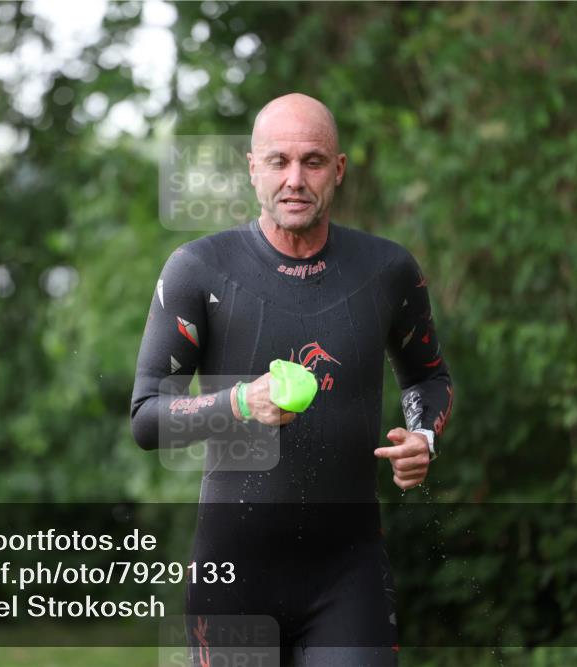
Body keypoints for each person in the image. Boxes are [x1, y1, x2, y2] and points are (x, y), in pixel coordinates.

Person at [131, 94, 453, 666]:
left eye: (313, 161)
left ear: (339, 170)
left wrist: (421, 436)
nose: (295, 179)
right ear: (253, 168)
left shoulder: (386, 270)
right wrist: (238, 402)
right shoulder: (199, 268)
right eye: (278, 161)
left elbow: (428, 378)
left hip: (348, 577)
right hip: (231, 579)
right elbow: (148, 417)